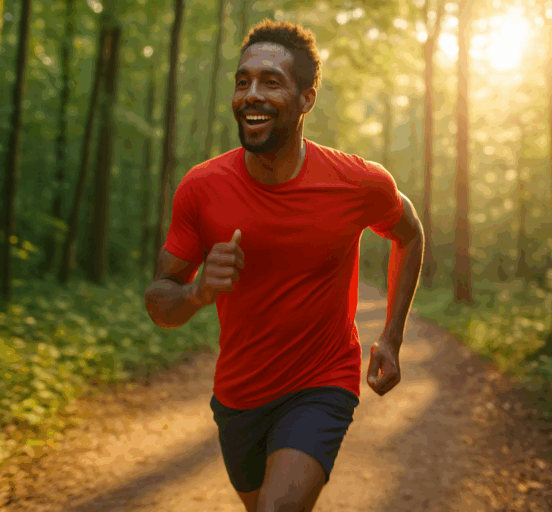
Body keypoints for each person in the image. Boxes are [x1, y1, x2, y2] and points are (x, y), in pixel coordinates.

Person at [144, 19, 424, 512]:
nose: (251, 94)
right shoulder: (202, 188)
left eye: (271, 82)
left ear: (306, 99)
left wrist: (392, 336)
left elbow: (411, 233)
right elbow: (159, 301)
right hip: (238, 395)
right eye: (242, 81)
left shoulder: (357, 182)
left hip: (323, 381)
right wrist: (195, 293)